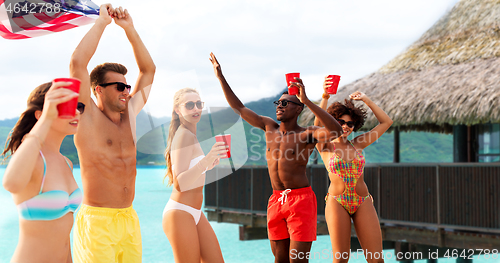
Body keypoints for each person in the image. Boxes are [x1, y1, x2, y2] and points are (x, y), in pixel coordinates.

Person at [210, 53, 343, 263]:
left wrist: (307, 99)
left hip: (301, 201)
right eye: (278, 102)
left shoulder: (307, 133)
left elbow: (335, 131)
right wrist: (220, 76)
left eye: (286, 103)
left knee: (297, 260)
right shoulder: (268, 127)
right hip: (276, 199)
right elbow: (240, 108)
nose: (279, 106)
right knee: (280, 259)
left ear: (299, 108)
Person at [69, 4, 156, 262]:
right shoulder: (86, 117)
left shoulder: (130, 115)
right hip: (98, 220)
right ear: (97, 89)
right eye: (119, 86)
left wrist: (129, 28)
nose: (126, 91)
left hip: (128, 218)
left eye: (127, 86)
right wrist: (102, 23)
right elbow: (77, 63)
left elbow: (149, 70)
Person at [2, 81, 84, 262]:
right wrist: (47, 118)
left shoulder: (66, 163)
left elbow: (63, 237)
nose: (76, 112)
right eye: (67, 107)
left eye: (78, 106)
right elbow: (11, 183)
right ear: (40, 114)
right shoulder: (34, 159)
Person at [314, 76, 393, 263]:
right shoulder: (325, 146)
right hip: (337, 201)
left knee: (376, 259)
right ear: (333, 121)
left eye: (350, 124)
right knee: (341, 259)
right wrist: (325, 96)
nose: (345, 126)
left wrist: (366, 100)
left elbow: (386, 123)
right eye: (341, 122)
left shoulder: (358, 144)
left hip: (362, 200)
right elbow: (316, 127)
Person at [162, 88, 227, 262]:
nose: (196, 109)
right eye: (189, 105)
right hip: (180, 212)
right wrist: (206, 161)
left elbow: (191, 172)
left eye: (199, 104)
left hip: (195, 212)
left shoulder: (190, 134)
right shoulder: (183, 135)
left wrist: (209, 164)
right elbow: (180, 183)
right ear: (178, 110)